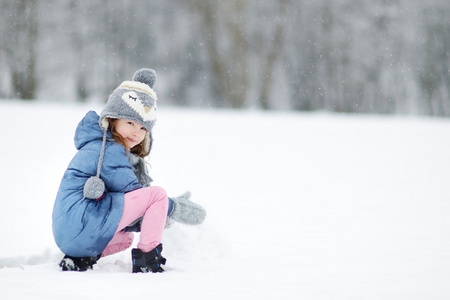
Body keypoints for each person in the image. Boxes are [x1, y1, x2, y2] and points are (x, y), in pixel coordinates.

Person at [52, 68, 206, 273]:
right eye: (130, 122)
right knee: (157, 195)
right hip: (84, 221)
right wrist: (171, 207)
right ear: (113, 119)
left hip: (68, 235)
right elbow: (135, 196)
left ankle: (80, 259)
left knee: (124, 238)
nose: (136, 132)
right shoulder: (110, 149)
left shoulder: (98, 144)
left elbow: (127, 208)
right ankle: (147, 260)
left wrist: (155, 216)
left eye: (143, 128)